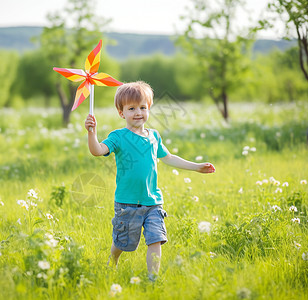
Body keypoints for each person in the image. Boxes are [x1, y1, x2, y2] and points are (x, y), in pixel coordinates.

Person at [84, 81, 215, 281]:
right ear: (122, 113)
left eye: (143, 107)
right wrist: (91, 133)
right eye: (132, 108)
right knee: (122, 243)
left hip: (153, 201)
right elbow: (97, 151)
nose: (138, 112)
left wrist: (196, 167)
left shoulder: (154, 136)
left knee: (156, 239)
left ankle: (152, 279)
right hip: (127, 203)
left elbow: (169, 157)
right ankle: (113, 259)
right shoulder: (118, 136)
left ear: (149, 109)